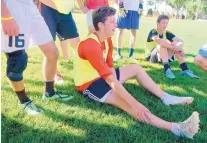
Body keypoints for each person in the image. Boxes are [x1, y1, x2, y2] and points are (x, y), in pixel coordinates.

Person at [73, 7, 200, 139]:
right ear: (100, 25)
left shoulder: (107, 39)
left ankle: (165, 97)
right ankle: (177, 129)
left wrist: (115, 81)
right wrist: (135, 104)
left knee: (136, 68)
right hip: (89, 83)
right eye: (112, 21)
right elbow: (111, 80)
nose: (116, 24)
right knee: (126, 103)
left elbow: (110, 69)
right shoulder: (90, 45)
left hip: (102, 75)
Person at [1, 0, 73, 115]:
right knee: (17, 59)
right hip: (11, 8)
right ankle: (23, 101)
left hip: (30, 7)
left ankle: (49, 93)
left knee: (52, 52)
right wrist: (5, 16)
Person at [38, 0, 80, 84]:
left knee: (78, 45)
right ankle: (55, 74)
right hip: (48, 9)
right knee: (49, 48)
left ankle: (84, 71)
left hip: (66, 12)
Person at [146, 15, 199, 79]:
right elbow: (160, 42)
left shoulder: (167, 32)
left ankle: (185, 70)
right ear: (158, 23)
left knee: (175, 43)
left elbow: (180, 41)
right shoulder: (153, 31)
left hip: (162, 57)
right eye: (163, 22)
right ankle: (167, 70)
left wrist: (179, 48)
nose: (165, 25)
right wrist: (174, 47)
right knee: (163, 44)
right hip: (152, 57)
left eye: (166, 23)